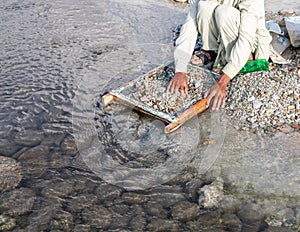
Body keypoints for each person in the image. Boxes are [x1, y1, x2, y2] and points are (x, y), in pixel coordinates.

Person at [167, 0, 271, 110]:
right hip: (223, 35)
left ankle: (244, 60)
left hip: (251, 43)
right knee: (204, 5)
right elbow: (189, 29)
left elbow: (246, 37)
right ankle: (212, 51)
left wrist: (222, 82)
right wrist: (180, 70)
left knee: (224, 12)